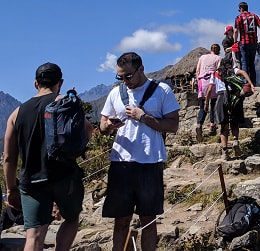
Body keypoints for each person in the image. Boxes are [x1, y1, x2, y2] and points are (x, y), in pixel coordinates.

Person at [3, 62, 93, 251]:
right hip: (65, 176)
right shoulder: (67, 104)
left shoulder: (16, 113)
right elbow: (87, 130)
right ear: (59, 83)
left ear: (36, 84)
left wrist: (11, 188)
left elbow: (9, 158)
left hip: (32, 181)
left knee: (34, 235)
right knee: (71, 219)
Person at [99, 52, 180, 251]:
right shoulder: (116, 93)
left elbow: (173, 125)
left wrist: (143, 117)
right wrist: (109, 125)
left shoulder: (161, 90)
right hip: (121, 162)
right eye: (120, 77)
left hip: (150, 162)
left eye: (128, 76)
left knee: (148, 219)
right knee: (121, 219)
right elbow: (102, 126)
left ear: (141, 69)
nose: (125, 81)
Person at [204, 59, 254, 160]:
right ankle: (235, 140)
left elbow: (209, 90)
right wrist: (251, 84)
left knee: (224, 125)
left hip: (222, 97)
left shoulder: (215, 74)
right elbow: (243, 72)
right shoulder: (233, 71)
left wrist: (206, 103)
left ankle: (225, 152)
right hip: (235, 97)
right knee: (235, 122)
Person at [234, 1, 260, 86]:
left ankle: (246, 83)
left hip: (244, 42)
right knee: (251, 63)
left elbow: (236, 30)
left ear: (241, 8)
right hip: (253, 42)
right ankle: (253, 83)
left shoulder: (239, 17)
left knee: (244, 63)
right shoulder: (254, 16)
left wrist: (235, 41)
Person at [195, 44, 221, 139]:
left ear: (210, 50)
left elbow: (197, 71)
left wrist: (199, 81)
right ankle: (212, 125)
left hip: (202, 82)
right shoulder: (218, 58)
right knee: (213, 105)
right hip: (212, 82)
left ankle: (199, 124)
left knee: (202, 107)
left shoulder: (202, 57)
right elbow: (218, 71)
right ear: (218, 51)